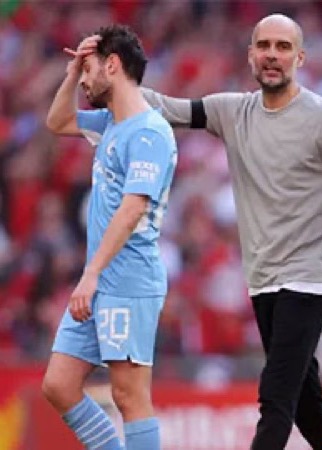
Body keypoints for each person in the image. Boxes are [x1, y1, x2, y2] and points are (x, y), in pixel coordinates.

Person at [134, 13, 322, 450]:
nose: (272, 55)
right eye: (264, 46)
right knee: (306, 402)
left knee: (275, 396)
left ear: (301, 57)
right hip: (263, 279)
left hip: (311, 279)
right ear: (251, 54)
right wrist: (114, 78)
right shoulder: (232, 111)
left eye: (283, 47)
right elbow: (166, 108)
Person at [42, 25, 177, 450]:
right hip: (100, 278)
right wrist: (70, 74)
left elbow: (132, 208)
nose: (84, 81)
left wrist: (91, 274)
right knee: (59, 384)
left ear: (113, 65)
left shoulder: (149, 132)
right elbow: (57, 121)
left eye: (89, 70)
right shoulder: (109, 124)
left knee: (129, 396)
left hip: (128, 279)